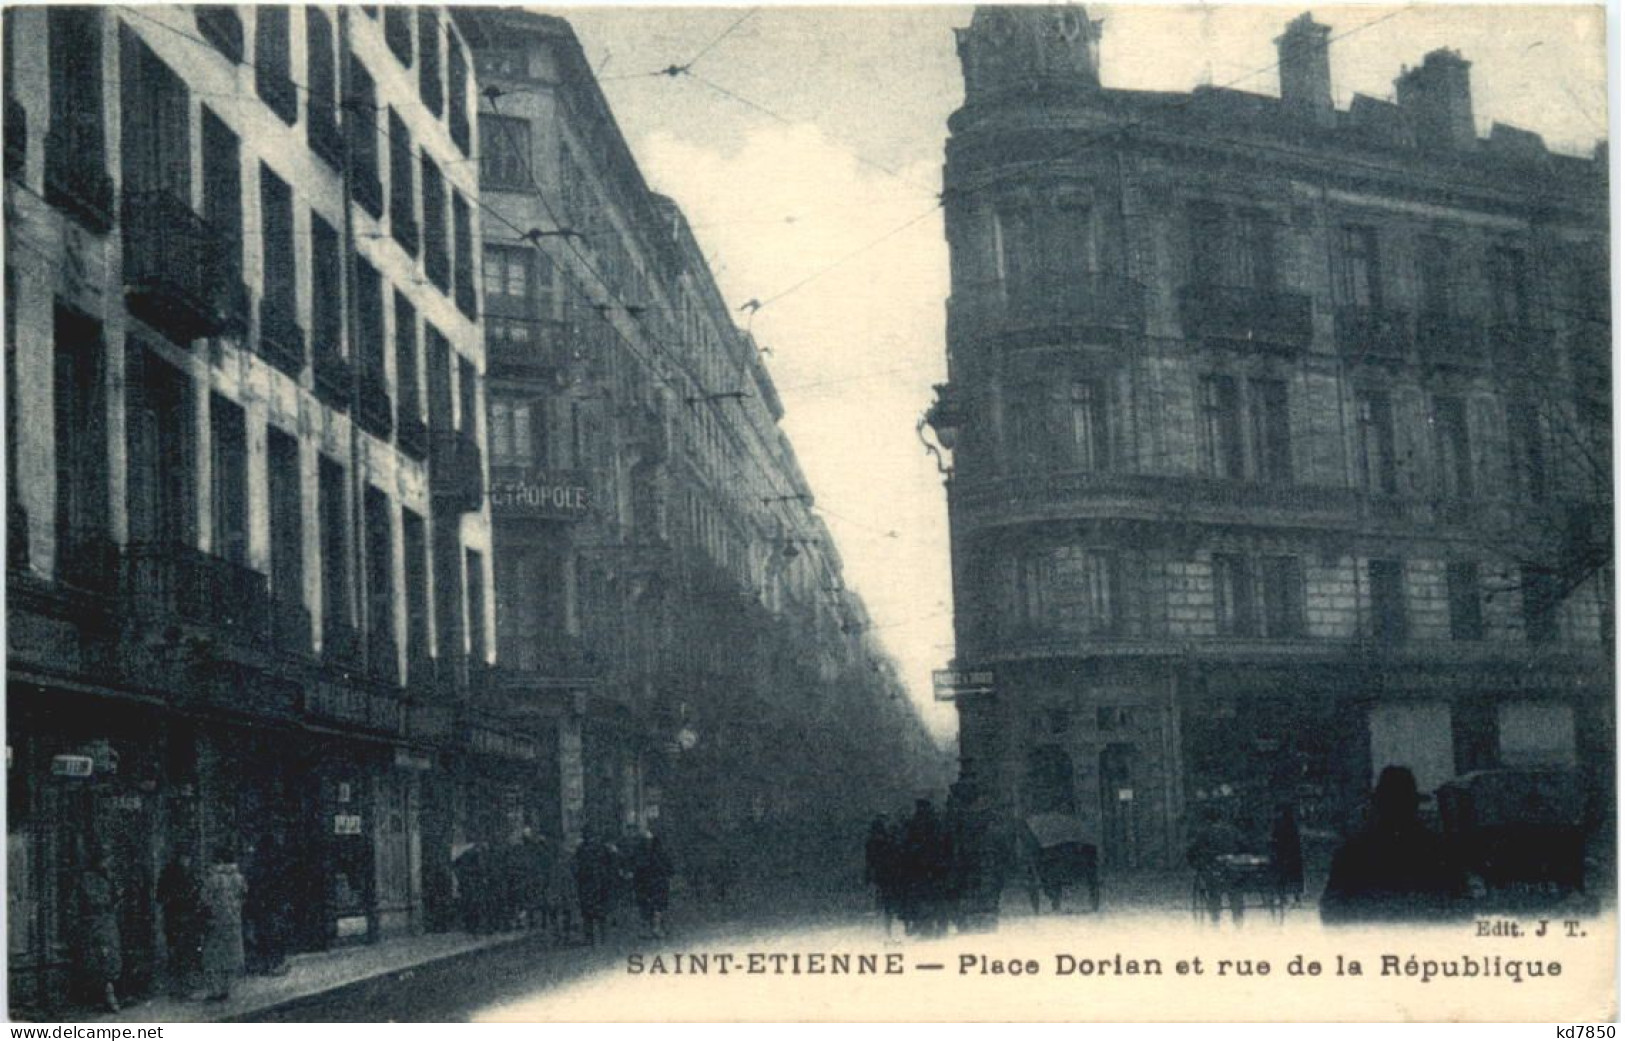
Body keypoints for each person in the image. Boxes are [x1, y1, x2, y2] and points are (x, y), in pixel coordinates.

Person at [1320, 766, 1468, 924]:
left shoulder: (1353, 852)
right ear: (1414, 805)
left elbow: (1331, 911)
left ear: (1378, 805)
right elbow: (1457, 910)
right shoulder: (1439, 850)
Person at [75, 852, 124, 1012]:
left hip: (108, 921)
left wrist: (117, 895)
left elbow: (113, 897)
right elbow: (92, 899)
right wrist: (110, 899)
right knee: (100, 956)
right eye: (107, 860)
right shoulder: (88, 878)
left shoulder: (108, 877)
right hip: (95, 922)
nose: (109, 863)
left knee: (111, 956)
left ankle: (108, 993)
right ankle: (106, 995)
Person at [200, 847, 248, 1002]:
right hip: (234, 921)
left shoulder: (213, 878)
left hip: (215, 922)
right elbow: (244, 895)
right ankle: (227, 988)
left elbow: (204, 900)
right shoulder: (238, 878)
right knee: (231, 954)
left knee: (213, 956)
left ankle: (215, 990)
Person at [899, 799, 951, 937]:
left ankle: (927, 928)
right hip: (937, 866)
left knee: (924, 898)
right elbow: (945, 842)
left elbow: (907, 845)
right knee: (938, 898)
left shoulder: (915, 824)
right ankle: (941, 926)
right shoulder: (937, 823)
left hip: (921, 867)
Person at [1187, 804, 1246, 924]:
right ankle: (1238, 919)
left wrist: (1195, 863)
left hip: (1213, 868)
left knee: (1214, 893)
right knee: (1235, 892)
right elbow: (1244, 845)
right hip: (1232, 867)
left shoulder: (1204, 833)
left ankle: (1215, 919)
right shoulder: (1232, 831)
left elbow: (1193, 850)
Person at [157, 851, 203, 999]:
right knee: (184, 953)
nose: (188, 861)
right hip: (182, 918)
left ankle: (177, 988)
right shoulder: (185, 875)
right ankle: (183, 988)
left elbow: (160, 896)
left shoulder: (168, 874)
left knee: (176, 953)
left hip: (173, 918)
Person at [631, 832, 675, 939]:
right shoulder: (661, 853)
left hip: (647, 883)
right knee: (656, 907)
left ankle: (651, 928)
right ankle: (655, 928)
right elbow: (670, 869)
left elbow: (635, 868)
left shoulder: (640, 854)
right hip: (657, 883)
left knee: (650, 906)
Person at [573, 833, 615, 946]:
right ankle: (603, 937)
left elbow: (576, 867)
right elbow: (611, 863)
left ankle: (590, 938)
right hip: (600, 883)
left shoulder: (581, 849)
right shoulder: (602, 848)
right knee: (601, 911)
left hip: (586, 884)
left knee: (587, 913)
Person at [863, 815, 899, 935]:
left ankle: (884, 927)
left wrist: (868, 875)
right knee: (888, 901)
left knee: (882, 898)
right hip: (889, 873)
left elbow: (869, 861)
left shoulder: (871, 842)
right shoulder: (888, 840)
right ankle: (887, 927)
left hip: (881, 873)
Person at [1269, 803, 1305, 906]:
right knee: (1291, 876)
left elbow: (1276, 838)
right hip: (1290, 853)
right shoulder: (1290, 824)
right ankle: (1293, 898)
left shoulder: (1281, 824)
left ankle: (1288, 898)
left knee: (1285, 876)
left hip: (1285, 853)